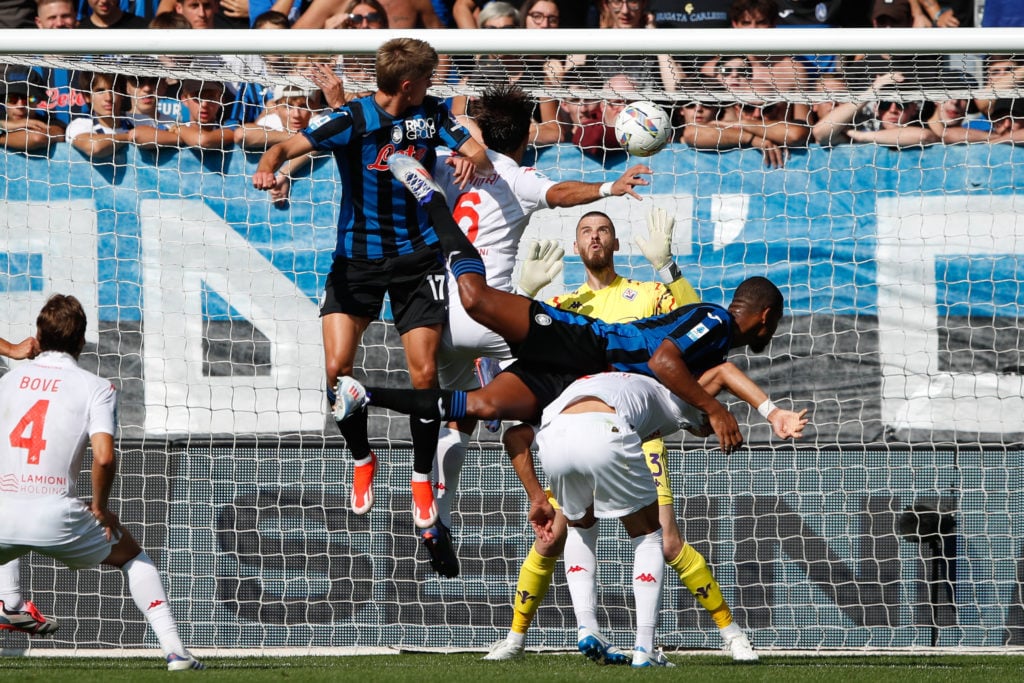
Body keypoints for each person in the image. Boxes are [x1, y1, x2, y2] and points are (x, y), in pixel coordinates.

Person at [483, 211, 799, 663]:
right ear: (576, 246)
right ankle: (517, 639)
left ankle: (731, 636)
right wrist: (525, 293)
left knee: (665, 540)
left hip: (640, 428)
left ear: (615, 242)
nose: (595, 238)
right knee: (555, 534)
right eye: (585, 232)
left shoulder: (648, 294)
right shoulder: (565, 304)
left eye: (603, 230)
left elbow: (706, 330)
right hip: (586, 414)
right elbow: (527, 339)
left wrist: (668, 269)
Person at [337, 153, 800, 457]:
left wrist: (745, 413)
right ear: (765, 318)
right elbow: (664, 360)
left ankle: (366, 395)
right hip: (583, 339)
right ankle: (434, 201)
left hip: (578, 377)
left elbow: (716, 377)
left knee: (480, 407)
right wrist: (718, 411)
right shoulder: (715, 320)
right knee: (474, 298)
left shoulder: (713, 352)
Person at [253, 38, 492, 533]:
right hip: (357, 261)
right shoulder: (351, 119)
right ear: (408, 84)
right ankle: (363, 458)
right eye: (427, 79)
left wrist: (471, 158)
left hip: (418, 259)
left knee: (424, 375)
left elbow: (477, 150)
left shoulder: (432, 114)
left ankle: (422, 476)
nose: (431, 86)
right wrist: (267, 168)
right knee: (337, 373)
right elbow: (282, 146)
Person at [422, 84, 656, 577]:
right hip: (493, 317)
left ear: (477, 132)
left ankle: (437, 515)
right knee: (559, 393)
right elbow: (558, 194)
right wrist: (610, 188)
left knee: (457, 419)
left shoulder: (445, 162)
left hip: (442, 315)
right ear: (526, 140)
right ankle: (567, 491)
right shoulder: (511, 173)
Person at [0, 295, 203, 670]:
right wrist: (99, 507)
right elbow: (105, 456)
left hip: (2, 516)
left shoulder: (7, 382)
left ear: (37, 338)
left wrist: (10, 349)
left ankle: (8, 600)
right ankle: (176, 652)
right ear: (82, 342)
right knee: (132, 557)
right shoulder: (96, 387)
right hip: (58, 517)